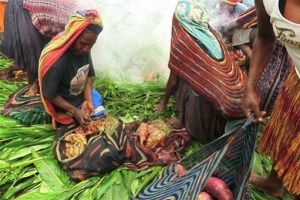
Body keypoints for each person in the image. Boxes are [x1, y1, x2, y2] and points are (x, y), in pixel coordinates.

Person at [154, 0, 248, 143]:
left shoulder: (183, 42)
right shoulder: (212, 35)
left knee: (183, 82)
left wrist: (164, 103)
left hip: (213, 118)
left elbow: (173, 81)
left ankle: (191, 124)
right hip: (235, 105)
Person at [242, 0, 300, 198]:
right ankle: (273, 183)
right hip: (298, 82)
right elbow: (265, 38)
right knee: (287, 134)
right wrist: (250, 87)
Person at [38, 10, 106, 129]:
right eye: (83, 44)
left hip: (78, 93)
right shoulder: (58, 61)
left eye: (91, 45)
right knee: (83, 125)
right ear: (72, 36)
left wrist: (88, 100)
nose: (86, 49)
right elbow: (49, 93)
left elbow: (88, 74)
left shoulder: (83, 49)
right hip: (64, 101)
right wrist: (75, 111)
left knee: (99, 114)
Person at [3, 0, 76, 95]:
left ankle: (39, 81)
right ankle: (33, 84)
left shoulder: (71, 12)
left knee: (41, 50)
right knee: (30, 49)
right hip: (22, 8)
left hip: (36, 12)